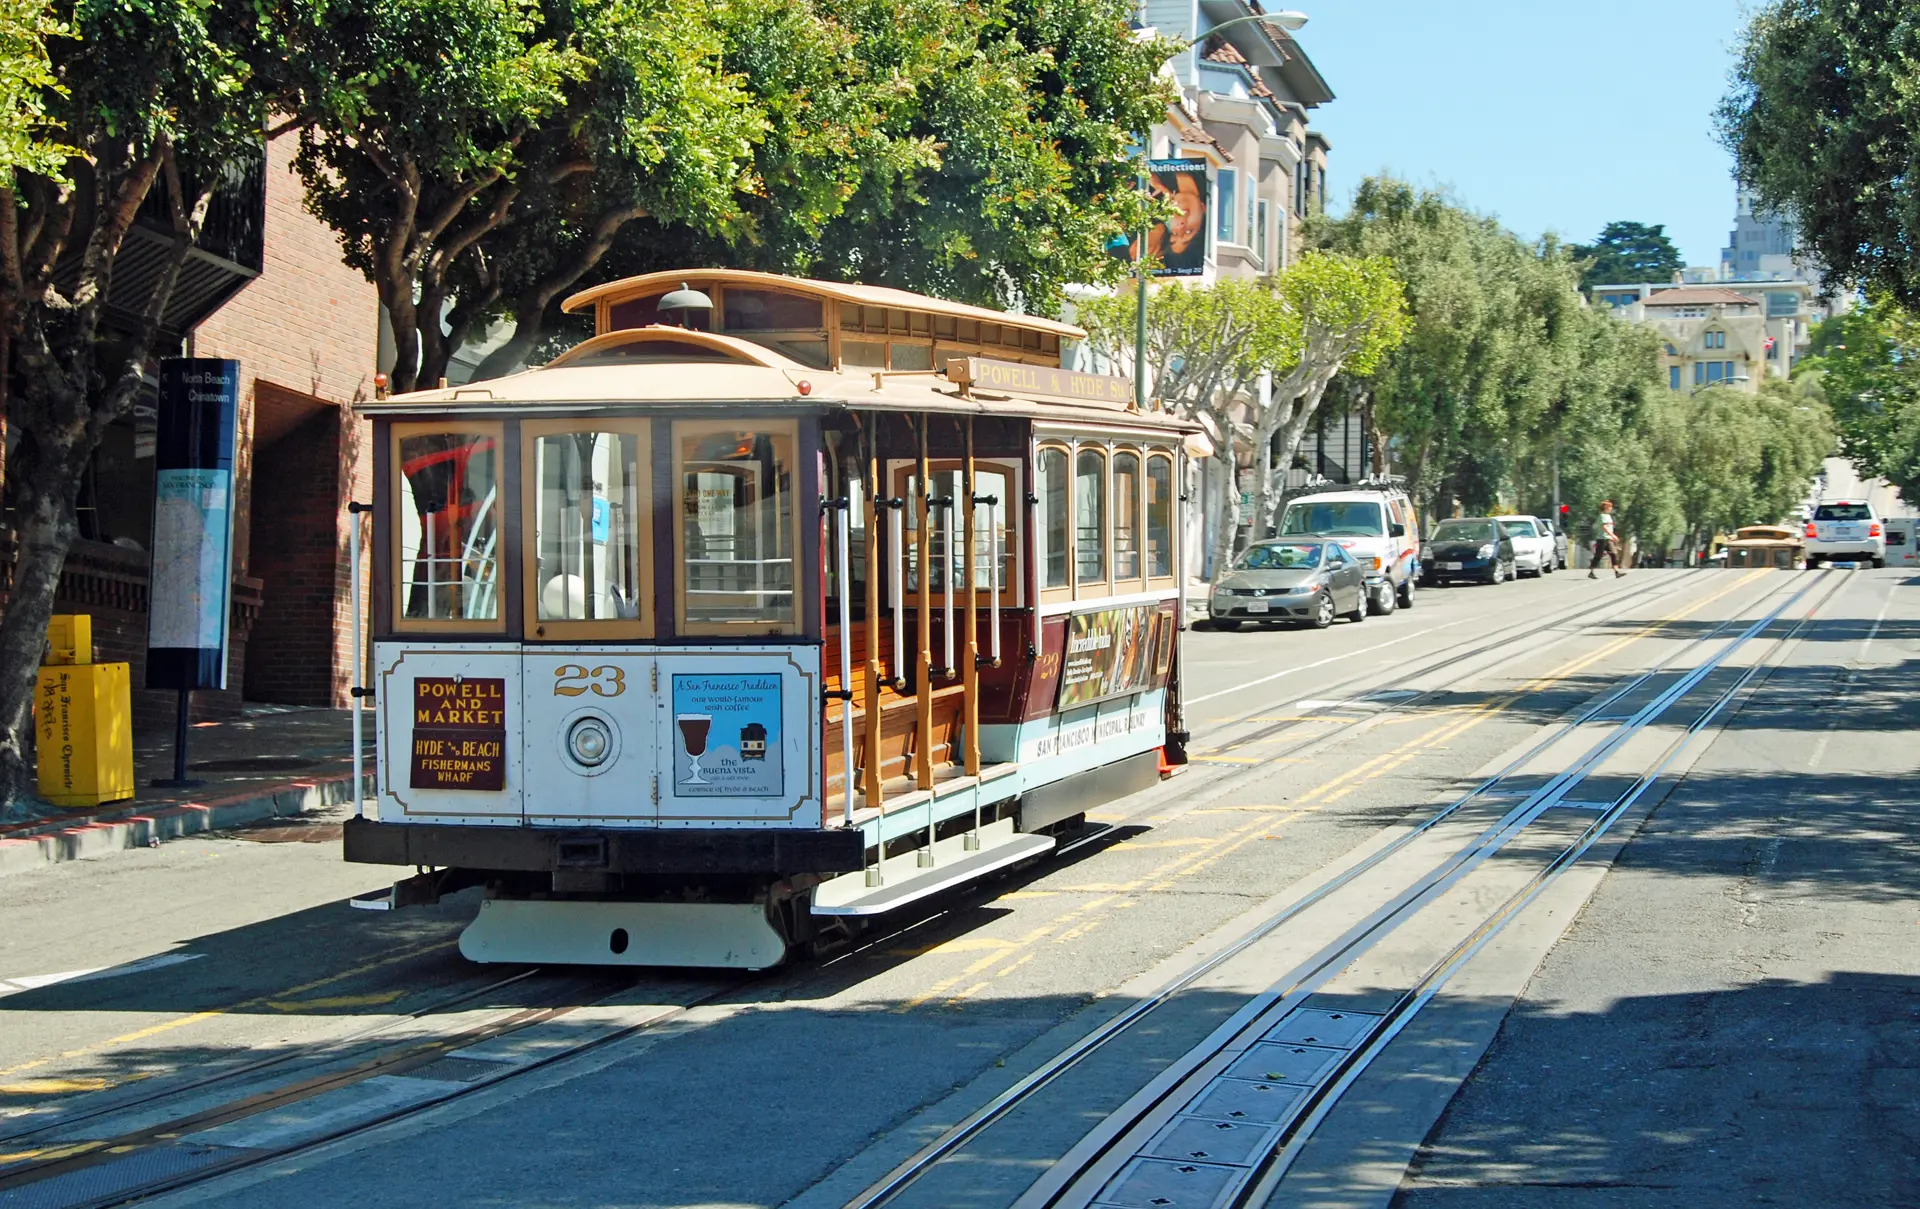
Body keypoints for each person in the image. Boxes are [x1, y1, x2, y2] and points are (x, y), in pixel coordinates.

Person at [1589, 500, 1624, 578]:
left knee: (1614, 553)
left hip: (1608, 538)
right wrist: (1613, 535)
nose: (1611, 508)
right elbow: (1604, 527)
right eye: (1610, 507)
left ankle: (1616, 572)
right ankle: (1591, 571)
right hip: (1602, 538)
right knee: (1598, 556)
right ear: (1605, 507)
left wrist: (1611, 536)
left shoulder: (1608, 516)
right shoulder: (1602, 516)